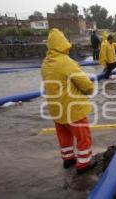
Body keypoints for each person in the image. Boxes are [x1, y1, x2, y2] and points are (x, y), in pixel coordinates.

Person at [41, 28, 96, 175]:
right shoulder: (66, 62)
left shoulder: (45, 63)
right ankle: (84, 164)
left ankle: (68, 159)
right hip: (73, 110)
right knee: (83, 137)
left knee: (64, 136)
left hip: (56, 110)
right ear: (63, 44)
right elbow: (84, 83)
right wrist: (90, 89)